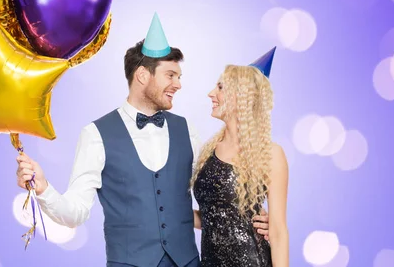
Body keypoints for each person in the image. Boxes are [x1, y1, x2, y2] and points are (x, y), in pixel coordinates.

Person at [15, 13, 270, 267]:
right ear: (142, 76)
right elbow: (75, 213)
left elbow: (215, 198)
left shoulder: (187, 131)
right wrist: (43, 188)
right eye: (170, 75)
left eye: (179, 76)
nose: (178, 84)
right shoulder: (95, 135)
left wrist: (253, 220)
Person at [191, 48, 289, 267]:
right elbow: (211, 217)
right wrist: (167, 214)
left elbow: (279, 231)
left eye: (220, 87)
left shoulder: (271, 154)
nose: (211, 93)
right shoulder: (209, 151)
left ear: (240, 97)